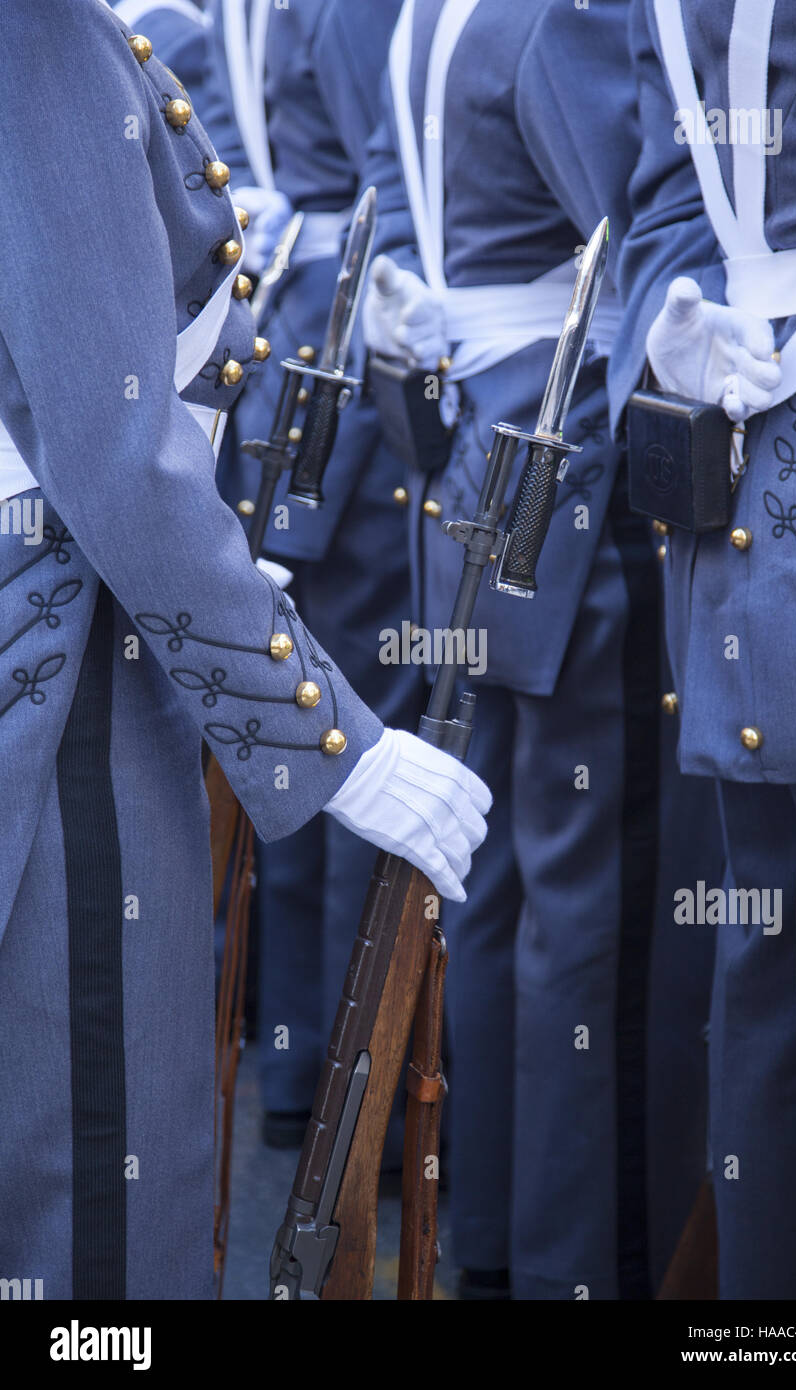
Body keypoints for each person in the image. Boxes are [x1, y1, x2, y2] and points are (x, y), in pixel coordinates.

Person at [0, 0, 488, 1300]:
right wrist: (333, 742)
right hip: (66, 678)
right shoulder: (38, 37)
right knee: (99, 1224)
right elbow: (112, 453)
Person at [361, 0, 714, 1301]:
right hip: (569, 469)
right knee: (598, 907)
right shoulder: (551, 16)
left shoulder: (427, 18)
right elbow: (645, 227)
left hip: (481, 452)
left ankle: (496, 1242)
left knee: (505, 883)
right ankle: (597, 1263)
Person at [611, 0, 796, 1299]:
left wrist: (662, 354)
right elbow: (663, 200)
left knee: (779, 969)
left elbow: (654, 214)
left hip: (755, 459)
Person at [202, 0, 419, 1149]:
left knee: (314, 713)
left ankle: (304, 1079)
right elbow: (392, 189)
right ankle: (347, 1106)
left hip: (300, 328)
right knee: (345, 734)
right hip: (345, 350)